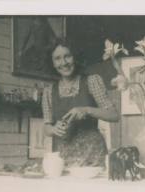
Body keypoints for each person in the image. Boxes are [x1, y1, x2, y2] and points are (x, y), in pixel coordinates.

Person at [42, 39, 119, 168]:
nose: (64, 63)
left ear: (75, 57)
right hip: (62, 158)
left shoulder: (92, 81)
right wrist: (54, 129)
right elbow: (46, 127)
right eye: (57, 58)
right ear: (52, 63)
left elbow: (114, 115)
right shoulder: (49, 91)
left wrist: (87, 110)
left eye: (67, 56)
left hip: (93, 155)